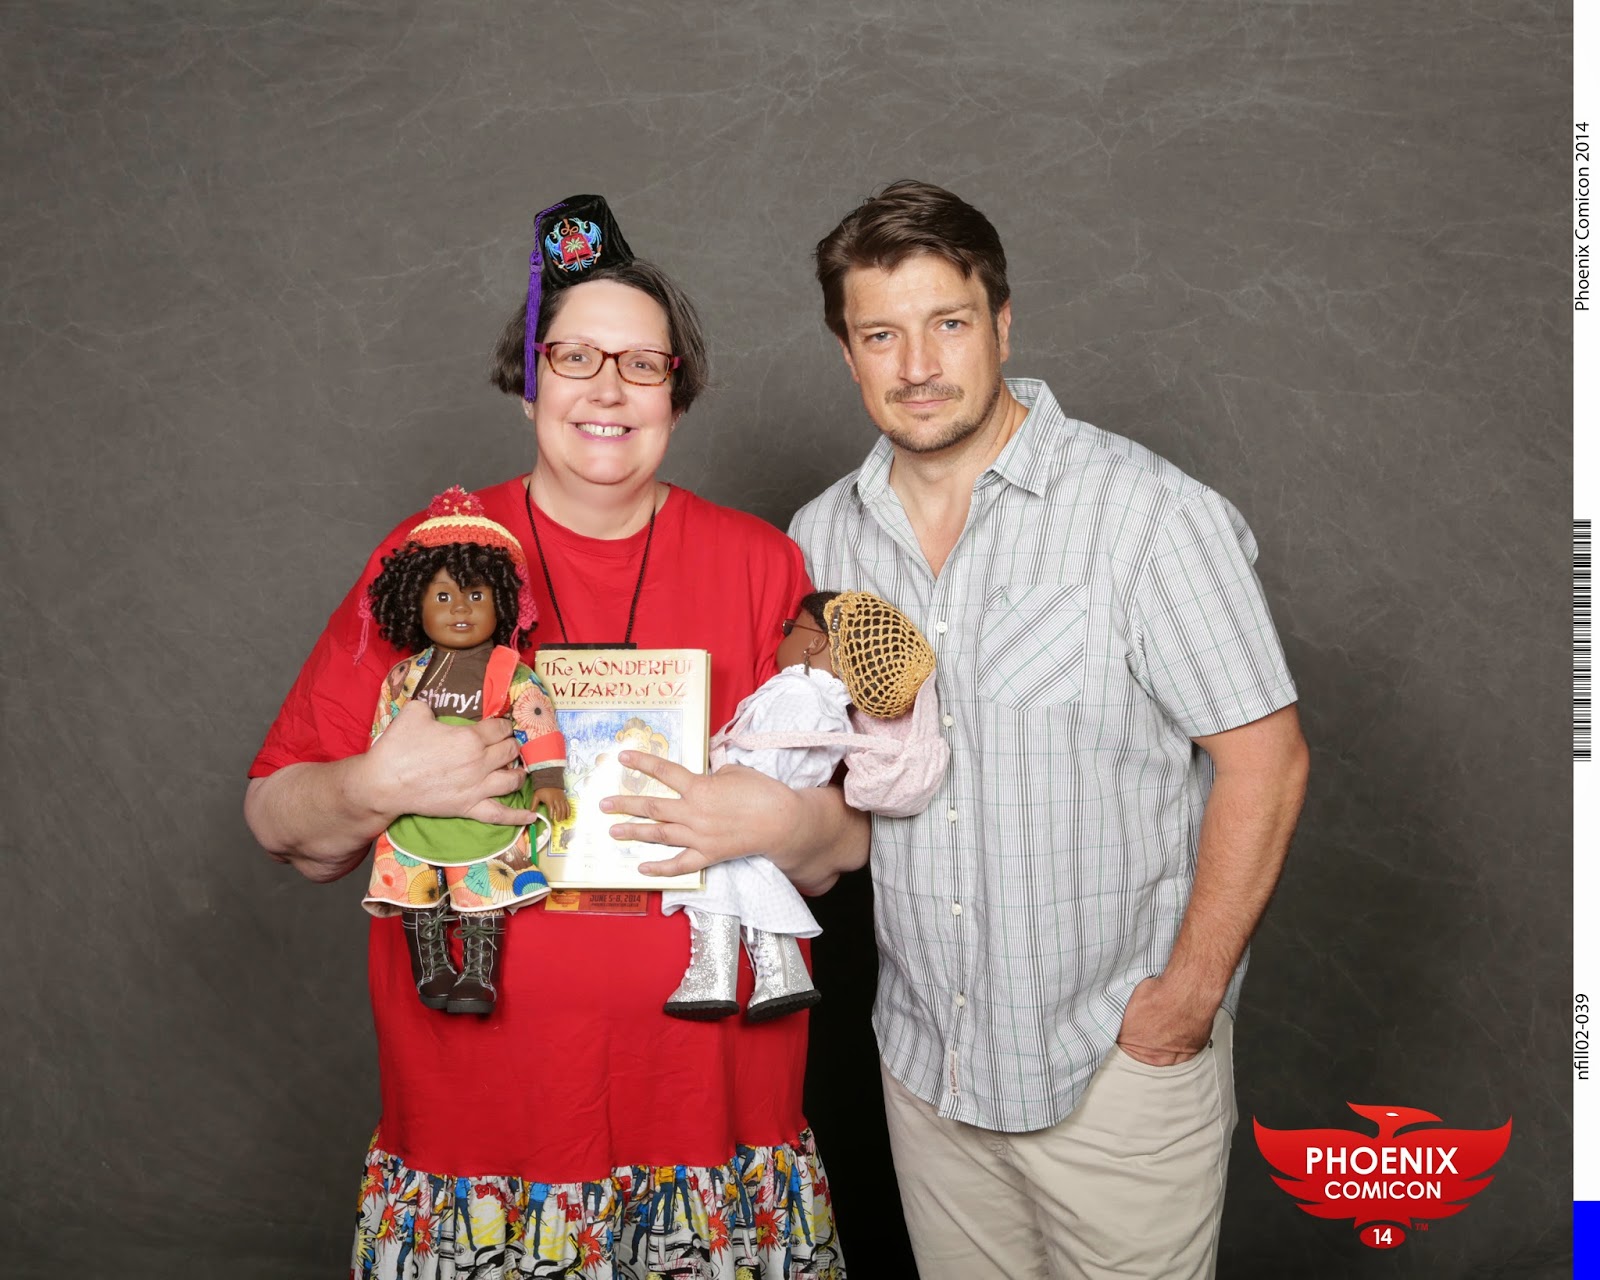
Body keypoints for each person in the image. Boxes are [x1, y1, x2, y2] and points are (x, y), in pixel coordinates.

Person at [619, 181, 1310, 1280]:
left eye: (947, 322)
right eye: (880, 335)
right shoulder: (823, 537)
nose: (917, 365)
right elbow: (820, 772)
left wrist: (1183, 1003)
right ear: (847, 353)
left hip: (1112, 1065)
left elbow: (1266, 762)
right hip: (926, 1071)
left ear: (1002, 323)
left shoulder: (1145, 515)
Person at [245, 194, 861, 1280]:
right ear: (530, 378)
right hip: (482, 1133)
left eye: (643, 364)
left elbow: (842, 843)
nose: (607, 389)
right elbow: (277, 818)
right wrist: (375, 782)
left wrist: (779, 817)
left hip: (713, 1128)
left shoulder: (762, 563)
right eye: (575, 356)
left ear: (678, 390)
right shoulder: (432, 555)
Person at [661, 589, 949, 1022]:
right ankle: (782, 977)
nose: (783, 638)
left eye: (789, 629)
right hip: (765, 808)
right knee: (755, 890)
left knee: (712, 885)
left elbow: (766, 759)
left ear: (813, 642)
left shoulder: (797, 693)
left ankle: (713, 978)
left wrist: (732, 786)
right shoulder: (831, 706)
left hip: (743, 802)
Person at [358, 487, 570, 1015]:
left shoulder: (510, 672)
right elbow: (381, 737)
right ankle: (431, 969)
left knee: (481, 887)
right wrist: (379, 784)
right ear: (414, 604)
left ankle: (478, 974)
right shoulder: (404, 677)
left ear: (503, 603)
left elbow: (536, 719)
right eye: (443, 597)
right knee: (417, 887)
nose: (459, 609)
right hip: (413, 810)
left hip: (487, 808)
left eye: (476, 596)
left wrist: (548, 779)